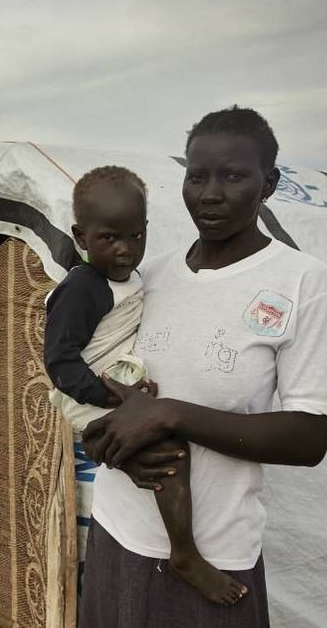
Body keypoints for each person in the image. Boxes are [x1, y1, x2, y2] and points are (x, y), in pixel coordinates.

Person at [79, 107, 327, 627]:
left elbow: (309, 438)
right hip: (120, 534)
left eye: (233, 176)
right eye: (197, 176)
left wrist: (169, 416)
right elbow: (100, 388)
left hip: (216, 560)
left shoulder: (300, 281)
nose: (210, 193)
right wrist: (113, 448)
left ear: (268, 183)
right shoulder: (145, 279)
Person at [45, 165, 245, 603]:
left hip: (110, 386)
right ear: (81, 238)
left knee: (160, 446)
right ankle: (184, 554)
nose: (124, 249)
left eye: (135, 237)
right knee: (168, 453)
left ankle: (136, 475)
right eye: (109, 238)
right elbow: (58, 361)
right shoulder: (83, 287)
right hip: (84, 391)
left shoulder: (135, 277)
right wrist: (114, 396)